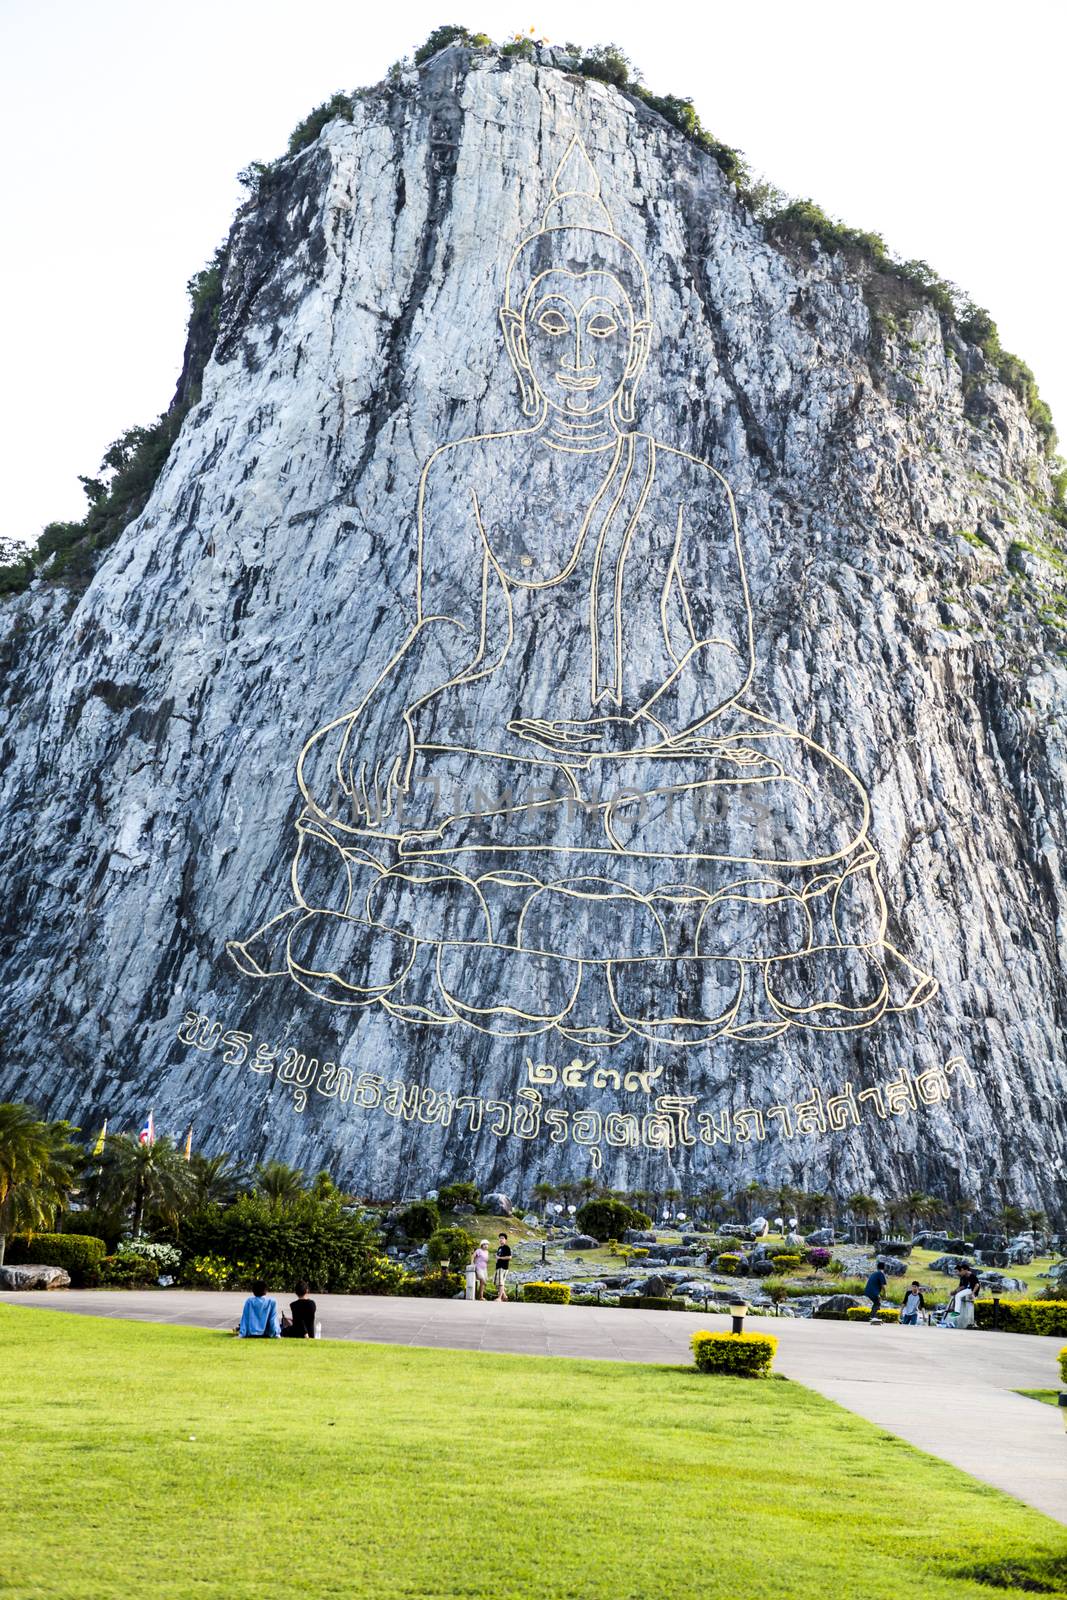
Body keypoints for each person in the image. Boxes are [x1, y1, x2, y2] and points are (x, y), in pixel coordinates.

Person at [227, 134, 938, 1050]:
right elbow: (448, 622)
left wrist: (642, 730)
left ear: (636, 343)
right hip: (501, 737)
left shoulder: (685, 481)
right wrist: (387, 704)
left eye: (603, 330)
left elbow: (722, 649)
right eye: (552, 326)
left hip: (662, 744)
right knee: (398, 776)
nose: (577, 354)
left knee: (800, 803)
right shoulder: (467, 469)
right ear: (519, 336)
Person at [494, 1233, 512, 1301]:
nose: (501, 1239)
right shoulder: (499, 1248)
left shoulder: (506, 1247)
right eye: (500, 1238)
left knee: (501, 1283)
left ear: (505, 1240)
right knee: (497, 1283)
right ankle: (505, 1296)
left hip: (503, 1267)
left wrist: (500, 1258)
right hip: (498, 1267)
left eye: (502, 1238)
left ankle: (499, 1298)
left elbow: (510, 1257)